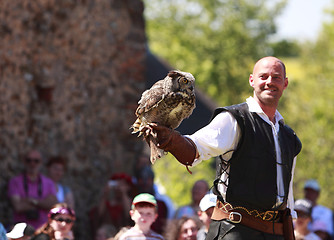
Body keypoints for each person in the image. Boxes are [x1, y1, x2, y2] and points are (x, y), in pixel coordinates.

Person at [145, 56, 302, 239]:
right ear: (252, 80)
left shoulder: (288, 137)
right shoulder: (235, 119)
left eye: (276, 77)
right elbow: (195, 148)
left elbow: (287, 196)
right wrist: (171, 140)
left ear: (285, 83)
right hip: (235, 230)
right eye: (263, 76)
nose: (269, 82)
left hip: (274, 233)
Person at [7, 150, 58, 229]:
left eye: (36, 161)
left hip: (42, 229)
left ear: (41, 162)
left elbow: (53, 204)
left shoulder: (48, 183)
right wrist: (42, 203)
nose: (32, 164)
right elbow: (18, 206)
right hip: (20, 231)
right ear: (24, 161)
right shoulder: (15, 181)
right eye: (29, 160)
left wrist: (30, 201)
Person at [89, 172, 134, 237]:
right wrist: (105, 193)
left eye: (122, 184)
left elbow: (128, 215)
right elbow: (99, 213)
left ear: (128, 187)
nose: (118, 188)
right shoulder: (109, 202)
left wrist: (123, 193)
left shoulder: (130, 201)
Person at [134, 166, 169, 234]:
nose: (145, 182)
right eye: (142, 179)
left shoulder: (161, 204)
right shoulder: (132, 202)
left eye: (148, 179)